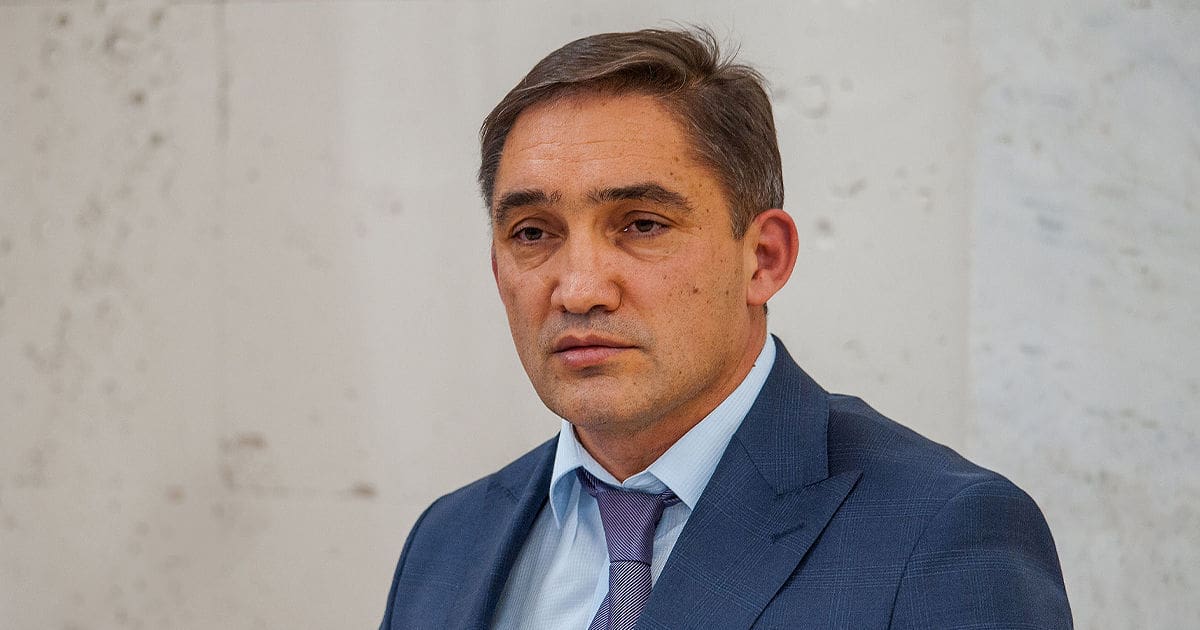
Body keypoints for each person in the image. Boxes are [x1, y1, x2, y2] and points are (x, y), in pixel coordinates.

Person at [379, 28, 1072, 629]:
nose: (580, 289)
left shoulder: (943, 534)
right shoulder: (448, 542)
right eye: (533, 233)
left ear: (763, 259)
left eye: (642, 225)